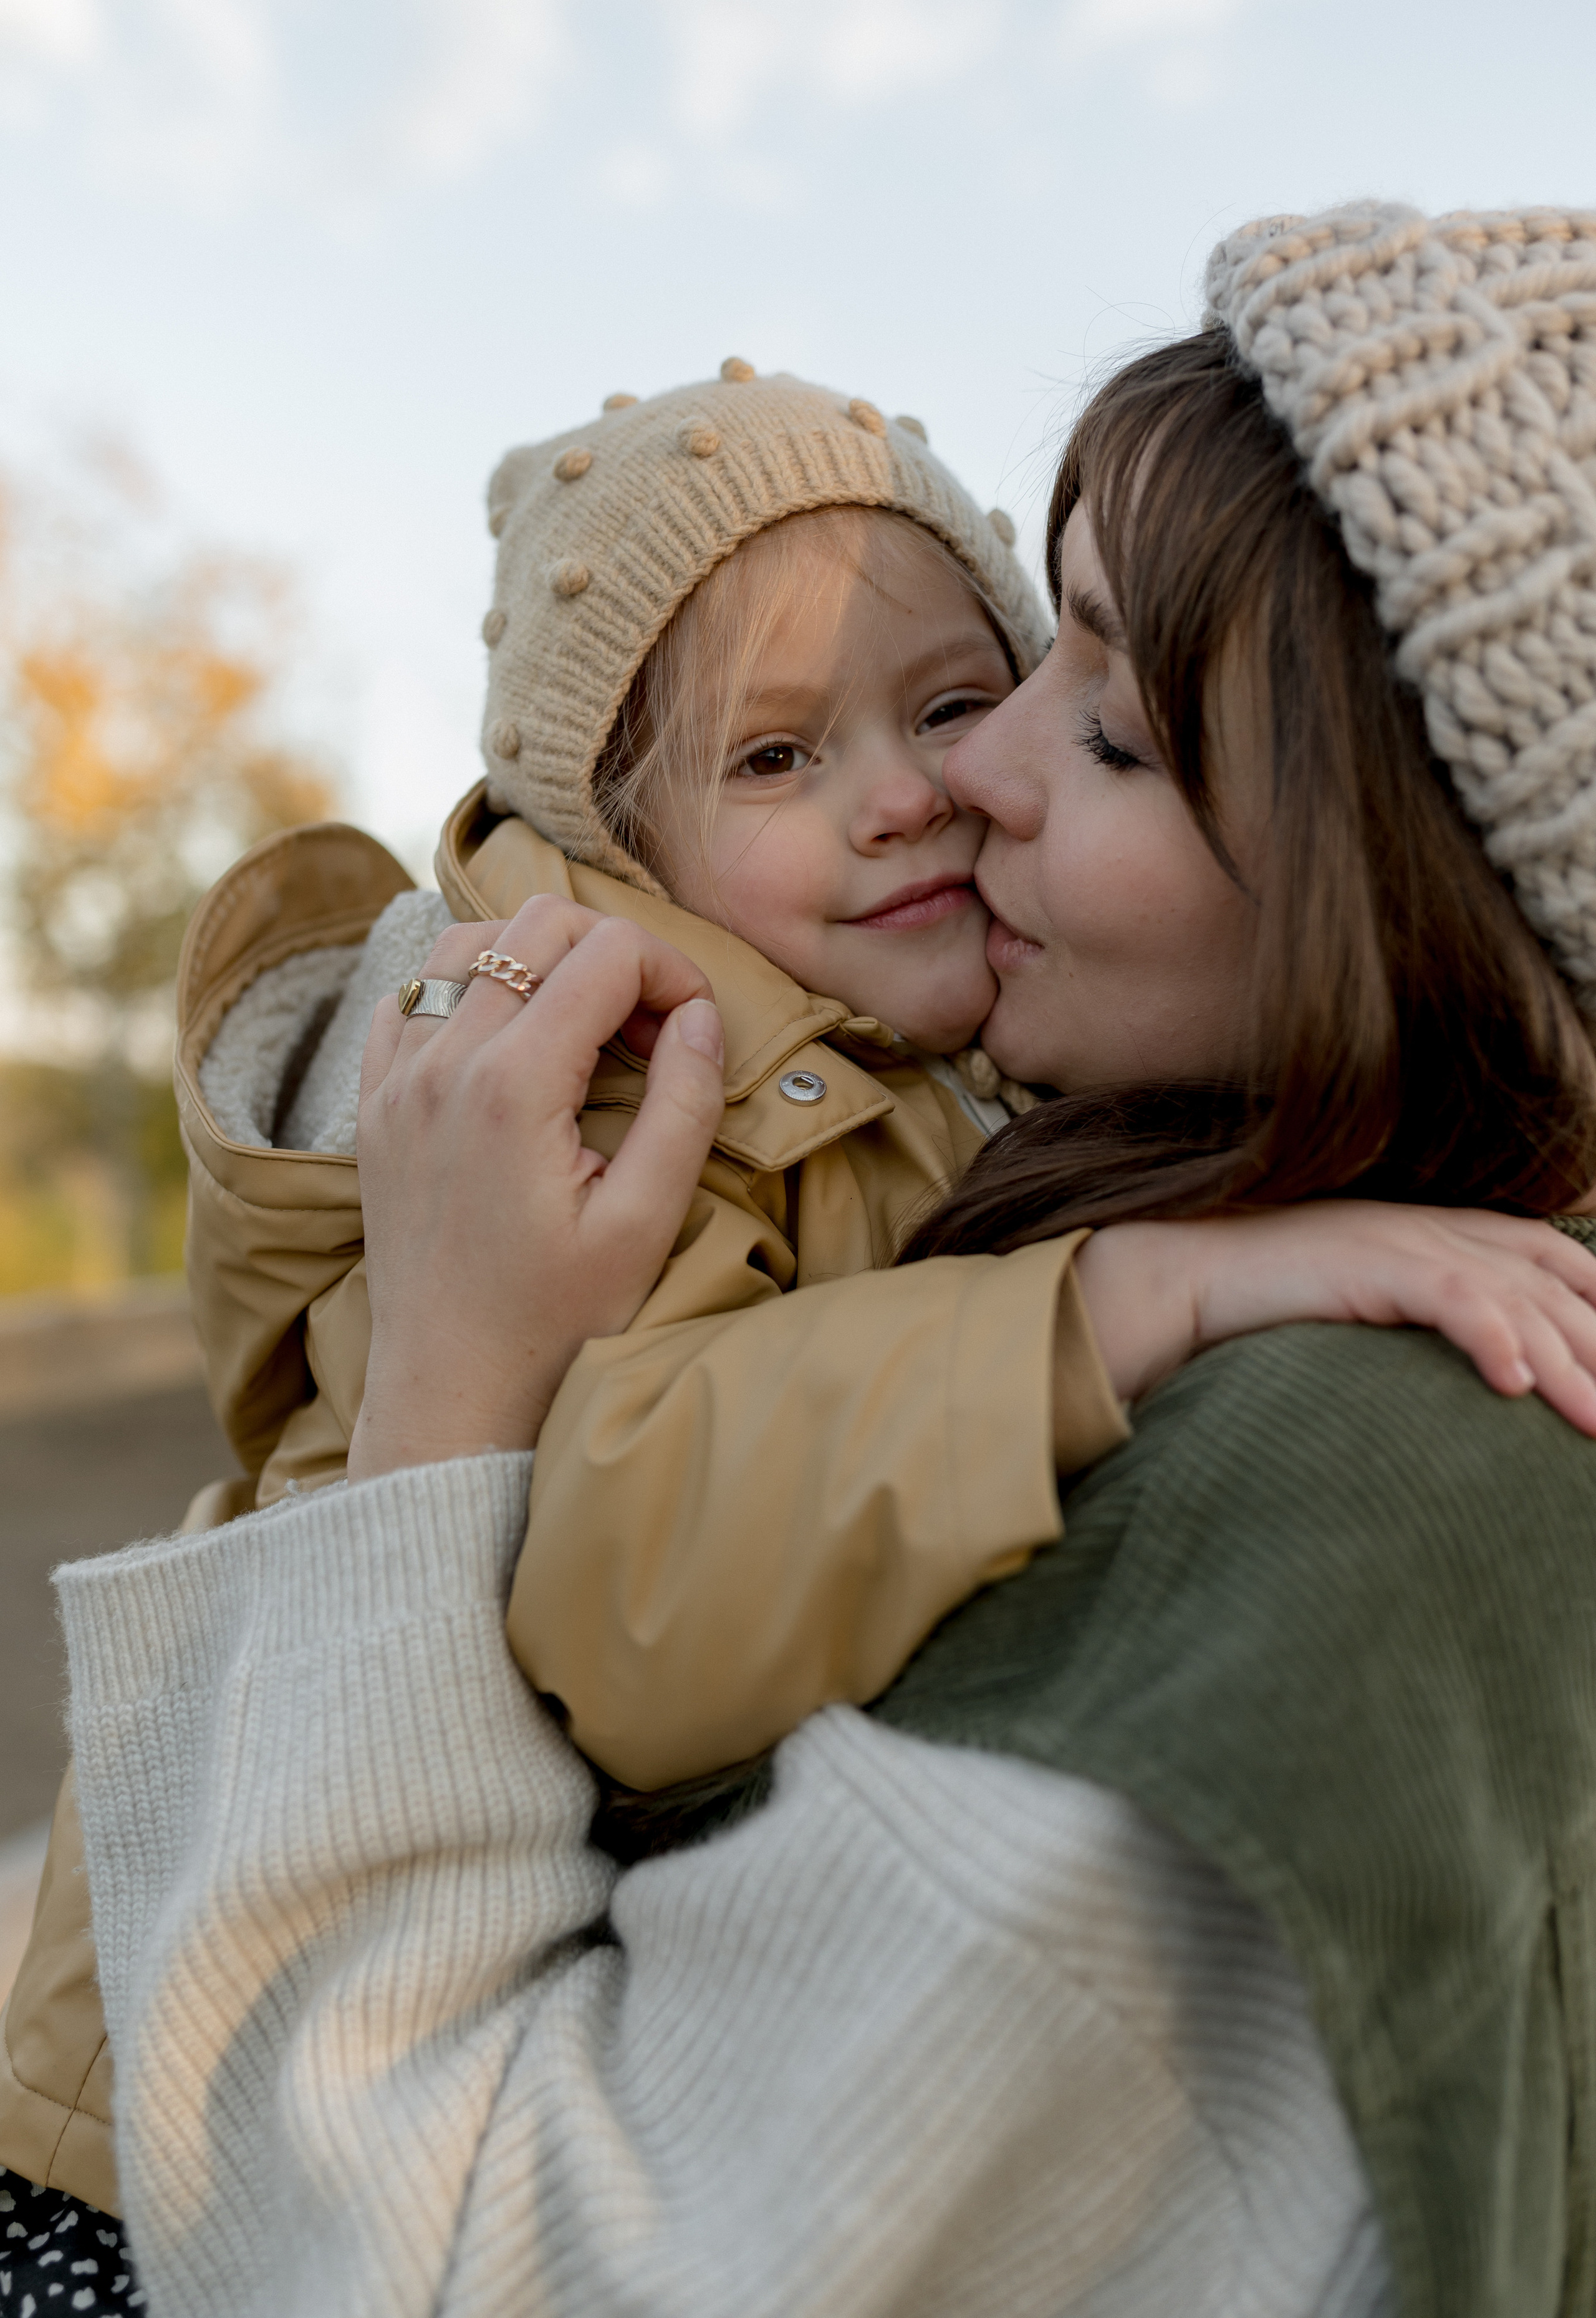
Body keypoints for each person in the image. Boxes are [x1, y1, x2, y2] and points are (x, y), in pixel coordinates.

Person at [27, 203, 1596, 2316]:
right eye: (1051, 653)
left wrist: (454, 1416)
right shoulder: (670, 1084)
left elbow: (429, 2258)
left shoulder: (1346, 1485)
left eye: (1113, 730)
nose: (971, 775)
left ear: (1405, 899)